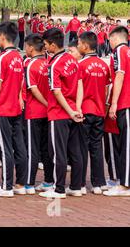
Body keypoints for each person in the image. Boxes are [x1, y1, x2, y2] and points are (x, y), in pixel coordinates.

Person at [39, 28, 84, 199]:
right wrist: (77, 108)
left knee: (58, 152)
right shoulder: (72, 60)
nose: (44, 48)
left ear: (52, 44)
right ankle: (76, 186)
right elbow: (80, 83)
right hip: (73, 110)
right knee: (75, 151)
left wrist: (70, 111)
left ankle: (59, 189)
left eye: (45, 45)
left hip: (60, 113)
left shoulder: (54, 64)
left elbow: (57, 92)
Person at [0, 22, 27, 198]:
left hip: (3, 108)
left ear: (2, 37)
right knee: (19, 146)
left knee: (4, 148)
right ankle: (20, 184)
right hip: (16, 108)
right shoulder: (19, 56)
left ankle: (6, 186)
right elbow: (19, 83)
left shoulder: (3, 58)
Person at [77, 31, 110, 195]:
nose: (77, 46)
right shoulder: (103, 65)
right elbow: (106, 87)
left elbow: (79, 90)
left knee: (82, 147)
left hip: (85, 110)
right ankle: (98, 183)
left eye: (78, 43)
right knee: (97, 147)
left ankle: (81, 183)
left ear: (85, 45)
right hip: (99, 110)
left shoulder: (81, 65)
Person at [23, 34, 54, 193]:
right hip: (48, 113)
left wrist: (45, 103)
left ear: (30, 47)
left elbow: (33, 89)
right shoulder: (48, 64)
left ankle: (29, 182)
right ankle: (48, 181)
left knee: (32, 148)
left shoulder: (31, 65)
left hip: (34, 112)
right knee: (46, 149)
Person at [106, 26, 130, 196]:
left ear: (114, 38)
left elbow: (119, 75)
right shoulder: (127, 51)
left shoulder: (120, 51)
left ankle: (125, 185)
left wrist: (113, 102)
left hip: (125, 102)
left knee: (126, 145)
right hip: (125, 102)